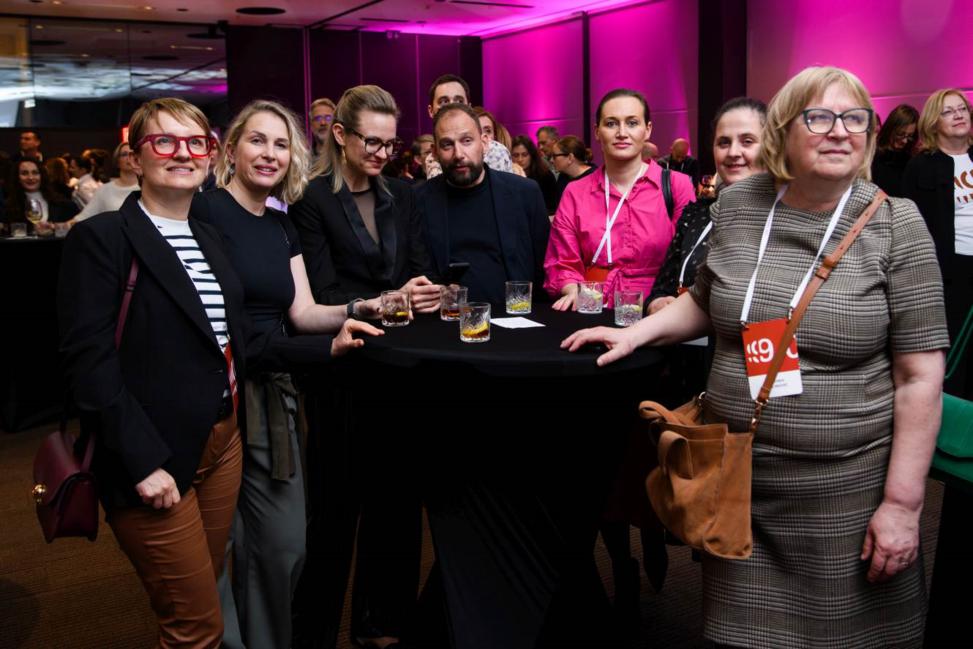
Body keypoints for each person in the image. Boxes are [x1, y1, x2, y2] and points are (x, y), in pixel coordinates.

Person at [564, 66, 948, 649]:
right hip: (740, 483)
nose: (840, 130)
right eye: (819, 117)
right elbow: (704, 298)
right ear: (784, 130)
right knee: (742, 637)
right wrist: (636, 334)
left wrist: (901, 505)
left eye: (855, 119)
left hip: (844, 491)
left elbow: (920, 377)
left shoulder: (898, 225)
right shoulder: (741, 204)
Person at [57, 97, 249, 648]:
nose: (182, 154)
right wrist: (141, 460)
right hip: (150, 454)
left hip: (222, 442)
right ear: (136, 158)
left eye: (196, 143)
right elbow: (89, 363)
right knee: (196, 627)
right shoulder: (102, 238)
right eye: (164, 141)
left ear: (210, 156)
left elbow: (223, 339)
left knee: (202, 592)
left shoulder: (210, 236)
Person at [194, 98, 383, 649]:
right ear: (231, 149)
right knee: (216, 548)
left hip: (275, 394)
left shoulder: (280, 224)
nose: (269, 154)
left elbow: (303, 312)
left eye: (281, 144)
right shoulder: (205, 214)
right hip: (221, 395)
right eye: (257, 140)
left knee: (283, 547)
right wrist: (323, 351)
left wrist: (364, 306)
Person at [291, 84, 439, 649]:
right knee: (334, 511)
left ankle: (382, 624)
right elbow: (322, 292)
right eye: (370, 142)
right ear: (339, 135)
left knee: (396, 504)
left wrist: (422, 289)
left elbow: (416, 267)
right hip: (340, 371)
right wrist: (387, 298)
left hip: (397, 369)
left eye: (389, 143)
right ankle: (315, 632)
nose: (381, 153)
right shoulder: (310, 199)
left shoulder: (403, 194)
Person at [544, 89, 695, 310]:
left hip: (657, 308)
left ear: (647, 130)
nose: (622, 133)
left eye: (632, 123)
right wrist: (572, 290)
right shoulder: (576, 192)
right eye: (611, 124)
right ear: (597, 132)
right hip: (593, 305)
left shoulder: (676, 185)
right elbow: (562, 261)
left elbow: (688, 258)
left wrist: (661, 302)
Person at [416, 102, 550, 305]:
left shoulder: (524, 193)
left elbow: (545, 268)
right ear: (434, 152)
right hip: (445, 318)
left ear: (485, 142)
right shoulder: (418, 200)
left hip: (515, 315)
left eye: (467, 141)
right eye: (447, 145)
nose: (458, 154)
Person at [647, 97, 768, 313]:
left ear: (772, 147)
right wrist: (656, 304)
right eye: (723, 143)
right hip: (677, 330)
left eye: (747, 141)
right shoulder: (698, 213)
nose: (733, 152)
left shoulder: (784, 215)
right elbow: (661, 287)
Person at [903, 88, 973, 398]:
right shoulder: (922, 166)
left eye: (962, 109)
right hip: (947, 272)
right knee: (954, 352)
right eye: (948, 111)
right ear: (934, 122)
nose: (958, 115)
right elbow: (911, 224)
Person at [3, 157, 78, 230]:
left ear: (42, 176)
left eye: (35, 173)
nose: (30, 177)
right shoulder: (9, 206)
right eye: (24, 173)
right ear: (17, 178)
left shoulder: (62, 203)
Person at [73, 142, 140, 223]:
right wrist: (64, 225)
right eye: (124, 154)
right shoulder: (104, 190)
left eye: (133, 154)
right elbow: (84, 216)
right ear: (117, 161)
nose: (129, 158)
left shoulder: (147, 188)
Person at [871, 104, 919, 197]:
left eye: (909, 136)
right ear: (890, 128)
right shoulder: (873, 156)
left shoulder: (910, 161)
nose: (905, 141)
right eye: (900, 134)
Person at [511, 135, 557, 213]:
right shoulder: (507, 177)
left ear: (532, 155)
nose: (520, 159)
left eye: (524, 155)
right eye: (516, 155)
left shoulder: (545, 176)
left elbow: (552, 207)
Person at [550, 135, 595, 207]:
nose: (551, 160)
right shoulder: (563, 177)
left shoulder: (594, 178)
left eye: (554, 156)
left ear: (570, 158)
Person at [473, 106, 514, 173]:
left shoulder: (499, 152)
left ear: (495, 136)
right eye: (477, 130)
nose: (484, 136)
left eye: (488, 131)